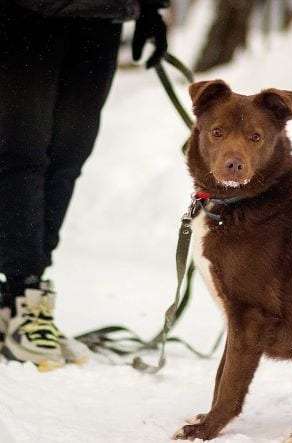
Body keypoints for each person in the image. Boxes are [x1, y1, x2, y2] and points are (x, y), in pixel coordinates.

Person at [0, 0, 168, 370]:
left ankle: (19, 302)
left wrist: (151, 7)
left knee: (68, 156)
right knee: (20, 154)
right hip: (23, 15)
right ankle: (22, 290)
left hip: (101, 17)